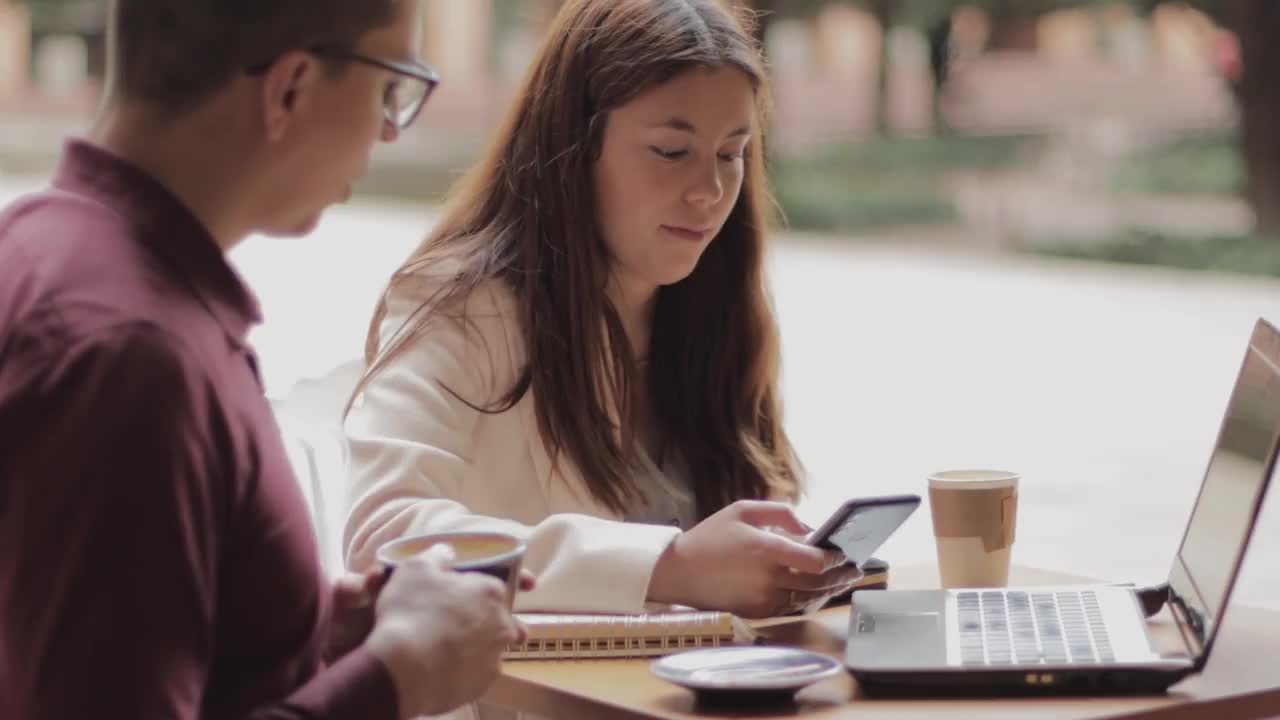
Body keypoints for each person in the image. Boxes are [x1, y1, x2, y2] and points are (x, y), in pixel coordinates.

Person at [0, 1, 525, 718]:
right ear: (292, 89)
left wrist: (298, 625)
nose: (386, 128)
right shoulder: (132, 358)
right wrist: (393, 678)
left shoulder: (43, 246)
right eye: (389, 85)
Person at [343, 0, 862, 621]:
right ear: (574, 146)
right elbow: (384, 535)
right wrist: (673, 567)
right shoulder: (462, 305)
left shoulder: (712, 312)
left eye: (732, 153)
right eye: (672, 151)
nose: (711, 192)